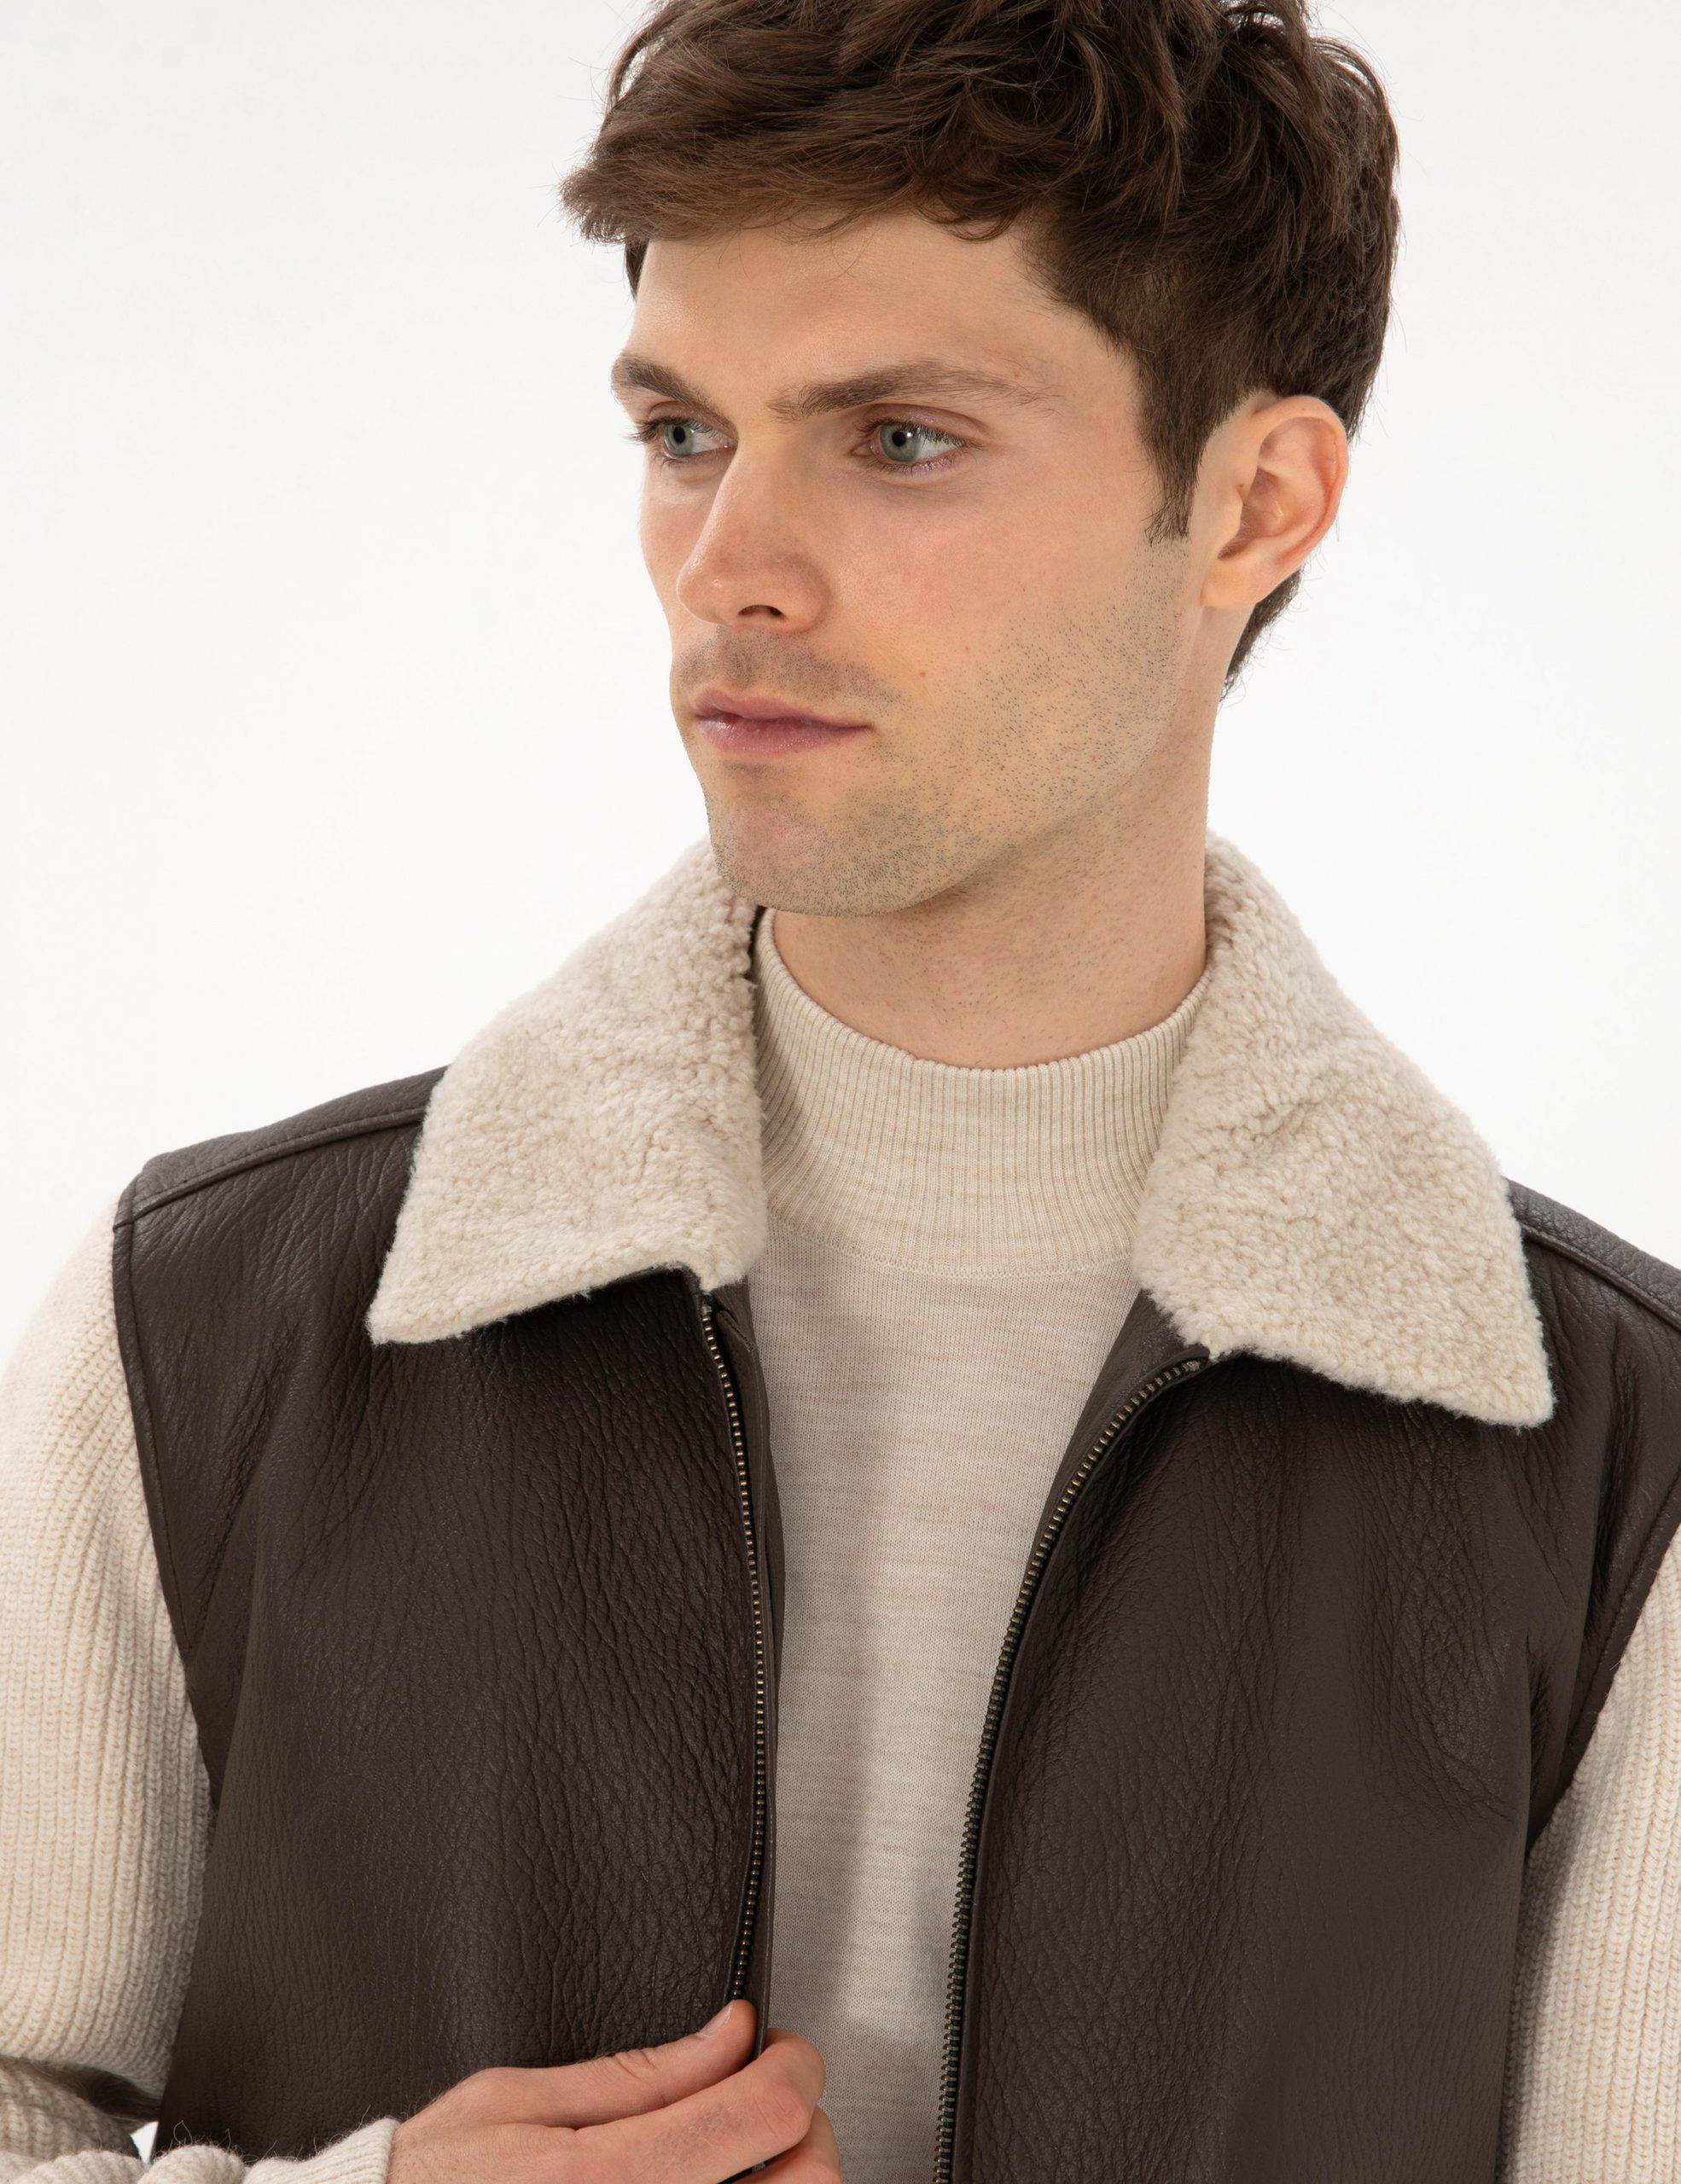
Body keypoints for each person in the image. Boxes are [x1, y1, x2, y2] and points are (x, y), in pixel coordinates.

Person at [4, 1, 1678, 2179]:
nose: (731, 564)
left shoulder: (1608, 1465)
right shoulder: (213, 1321)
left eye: (897, 438)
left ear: (1254, 503)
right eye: (682, 431)